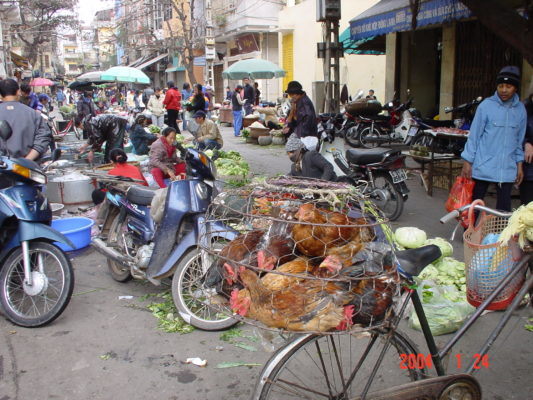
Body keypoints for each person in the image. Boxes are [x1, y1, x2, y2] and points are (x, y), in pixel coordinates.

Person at [461, 66, 527, 212]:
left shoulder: (520, 110)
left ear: (515, 88)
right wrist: (467, 161)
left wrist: (519, 164)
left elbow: (519, 141)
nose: (503, 90)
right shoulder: (486, 106)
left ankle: (499, 235)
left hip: (507, 170)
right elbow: (474, 137)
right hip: (483, 166)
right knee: (474, 207)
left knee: (503, 210)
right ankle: (469, 234)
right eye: (500, 86)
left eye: (508, 86)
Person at [0, 79, 50, 160]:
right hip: (28, 168)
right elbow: (43, 138)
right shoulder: (32, 114)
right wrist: (27, 161)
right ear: (18, 91)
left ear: (1, 95)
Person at [520, 91, 533, 205]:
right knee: (528, 210)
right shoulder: (523, 109)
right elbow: (514, 134)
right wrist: (526, 143)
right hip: (529, 169)